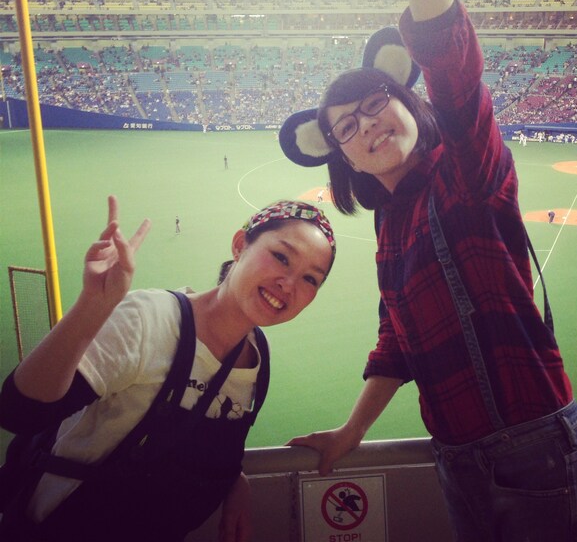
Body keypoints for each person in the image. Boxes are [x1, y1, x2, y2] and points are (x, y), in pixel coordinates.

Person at [278, 0, 577, 540]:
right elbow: (397, 340)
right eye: (346, 127)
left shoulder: (465, 172)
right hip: (458, 465)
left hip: (539, 452)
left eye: (374, 102)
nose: (366, 124)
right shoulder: (389, 224)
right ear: (342, 157)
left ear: (408, 101)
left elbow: (454, 67)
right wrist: (353, 430)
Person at [0, 196, 336, 542]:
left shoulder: (256, 356)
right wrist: (92, 306)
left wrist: (232, 479)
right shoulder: (151, 321)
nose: (288, 284)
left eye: (310, 279)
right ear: (240, 245)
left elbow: (191, 441)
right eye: (281, 257)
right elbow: (19, 412)